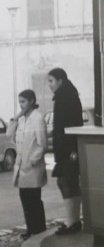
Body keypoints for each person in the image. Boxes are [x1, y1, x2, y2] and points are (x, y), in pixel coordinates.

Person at [47, 68, 84, 235]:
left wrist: (69, 149)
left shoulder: (64, 97)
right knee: (70, 182)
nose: (49, 85)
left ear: (60, 80)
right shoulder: (70, 95)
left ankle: (71, 221)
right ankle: (74, 220)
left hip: (67, 147)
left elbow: (66, 125)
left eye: (51, 81)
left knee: (65, 182)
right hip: (70, 146)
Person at [9, 90, 48, 240]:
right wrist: (16, 117)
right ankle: (31, 227)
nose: (21, 105)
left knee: (34, 199)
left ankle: (39, 229)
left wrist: (32, 160)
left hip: (32, 167)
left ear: (31, 101)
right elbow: (9, 135)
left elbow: (42, 144)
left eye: (23, 101)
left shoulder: (37, 118)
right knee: (24, 197)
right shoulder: (22, 119)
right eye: (19, 102)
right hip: (21, 166)